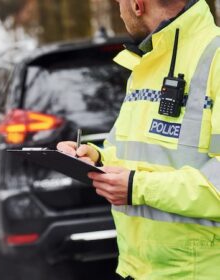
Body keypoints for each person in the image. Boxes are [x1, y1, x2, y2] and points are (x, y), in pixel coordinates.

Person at [57, 0, 220, 279]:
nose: (119, 9)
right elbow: (136, 154)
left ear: (137, 4)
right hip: (137, 268)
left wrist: (135, 186)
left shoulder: (215, 57)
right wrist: (96, 158)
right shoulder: (147, 62)